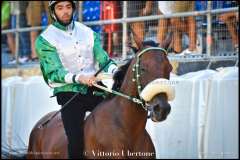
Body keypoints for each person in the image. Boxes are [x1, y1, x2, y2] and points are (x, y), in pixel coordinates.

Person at [35, 1, 118, 158]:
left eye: (68, 7)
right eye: (60, 8)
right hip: (68, 93)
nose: (65, 12)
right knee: (76, 141)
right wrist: (79, 78)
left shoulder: (88, 32)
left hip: (95, 88)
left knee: (116, 121)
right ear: (53, 12)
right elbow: (54, 72)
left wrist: (115, 71)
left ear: (73, 8)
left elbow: (103, 60)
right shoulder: (44, 40)